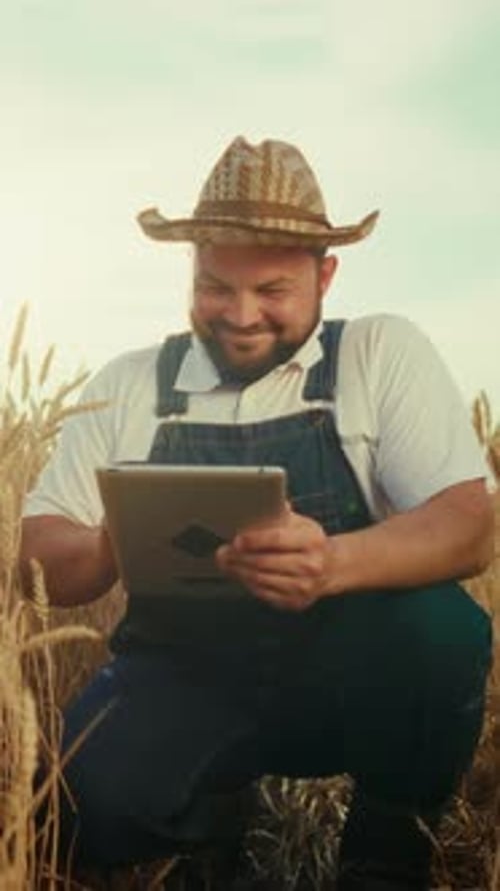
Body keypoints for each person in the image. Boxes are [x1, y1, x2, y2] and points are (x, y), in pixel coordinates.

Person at [20, 137, 494, 891]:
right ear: (192, 270)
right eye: (215, 287)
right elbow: (37, 560)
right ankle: (209, 823)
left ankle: (384, 854)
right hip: (183, 675)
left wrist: (334, 563)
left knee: (443, 630)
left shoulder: (379, 354)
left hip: (344, 673)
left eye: (272, 290)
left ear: (325, 275)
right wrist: (117, 537)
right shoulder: (129, 384)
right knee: (76, 809)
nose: (240, 316)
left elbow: (470, 524)